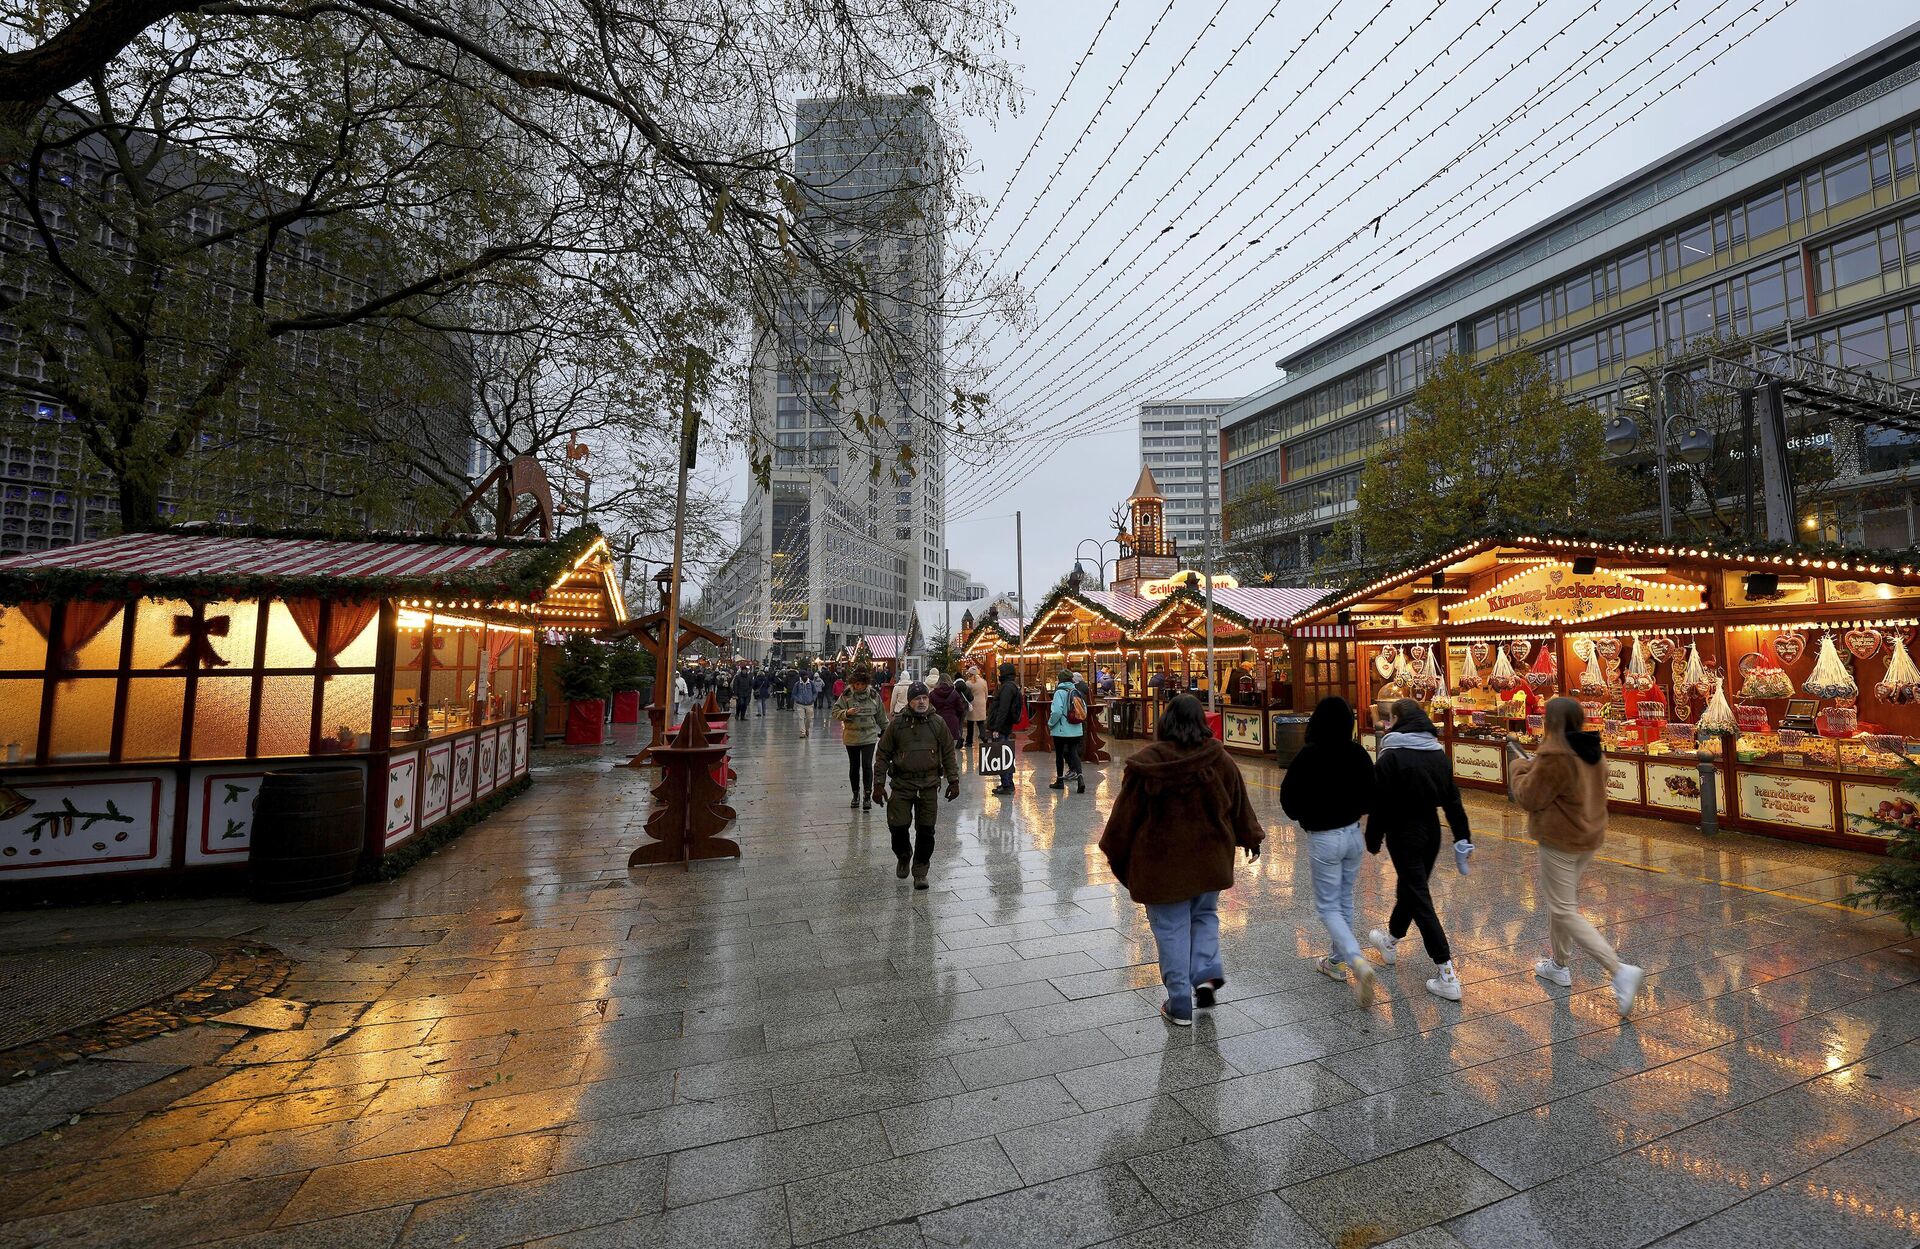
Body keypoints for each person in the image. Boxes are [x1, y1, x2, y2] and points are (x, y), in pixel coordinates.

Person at [1098, 695, 1265, 1027]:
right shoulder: (1220, 759)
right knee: (1204, 918)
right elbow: (1238, 804)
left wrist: (1116, 851)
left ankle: (1179, 1004)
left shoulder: (1146, 765)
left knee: (1171, 929)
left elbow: (1123, 820)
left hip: (1163, 868)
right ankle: (1204, 980)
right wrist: (1250, 837)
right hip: (1210, 862)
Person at [1508, 697, 1646, 1017]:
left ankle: (1619, 970)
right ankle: (1558, 965)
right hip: (1589, 837)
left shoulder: (1555, 756)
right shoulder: (1591, 749)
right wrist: (1534, 768)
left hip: (1560, 840)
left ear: (1551, 722)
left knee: (1564, 908)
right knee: (1561, 902)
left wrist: (1519, 768)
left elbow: (1530, 797)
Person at [1367, 698, 1472, 1002]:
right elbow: (1453, 800)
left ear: (1399, 720)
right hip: (1431, 833)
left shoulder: (1391, 756)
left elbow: (1380, 803)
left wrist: (1373, 838)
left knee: (1419, 896)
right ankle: (1391, 940)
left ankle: (1446, 971)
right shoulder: (1438, 754)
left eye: (1391, 718)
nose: (1387, 723)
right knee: (1413, 890)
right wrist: (1462, 837)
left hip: (1404, 833)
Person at [1279, 697, 1379, 1007]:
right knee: (1345, 898)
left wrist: (1307, 815)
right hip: (1352, 836)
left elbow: (1289, 800)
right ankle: (1335, 961)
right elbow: (1372, 794)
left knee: (1327, 907)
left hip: (1324, 838)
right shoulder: (1357, 752)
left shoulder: (1309, 755)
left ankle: (1355, 960)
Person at [873, 681, 961, 890]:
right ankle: (903, 855)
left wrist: (954, 780)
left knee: (926, 831)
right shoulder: (897, 724)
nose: (921, 702)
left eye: (924, 698)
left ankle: (921, 870)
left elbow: (949, 752)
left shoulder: (937, 723)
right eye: (917, 699)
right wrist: (878, 784)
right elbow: (883, 753)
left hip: (929, 784)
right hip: (902, 784)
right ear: (910, 701)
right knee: (897, 826)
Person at [833, 666, 884, 809]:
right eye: (857, 684)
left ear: (866, 683)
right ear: (853, 683)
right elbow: (835, 711)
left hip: (869, 736)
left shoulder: (874, 696)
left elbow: (881, 716)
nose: (859, 687)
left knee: (867, 765)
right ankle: (855, 794)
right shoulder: (846, 695)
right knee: (854, 766)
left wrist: (887, 731)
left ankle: (867, 796)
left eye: (862, 684)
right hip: (852, 736)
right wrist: (847, 713)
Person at [985, 663, 1023, 795]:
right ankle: (1008, 783)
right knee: (1005, 755)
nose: (999, 675)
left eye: (1000, 672)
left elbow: (1003, 709)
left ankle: (1006, 784)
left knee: (1001, 756)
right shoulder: (1011, 686)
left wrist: (996, 728)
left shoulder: (1007, 688)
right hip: (1006, 726)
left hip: (1002, 726)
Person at [1047, 669, 1086, 793]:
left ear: (1060, 680)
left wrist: (1050, 723)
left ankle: (1059, 780)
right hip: (1075, 729)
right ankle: (1080, 777)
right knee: (1074, 752)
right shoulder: (1076, 691)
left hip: (1061, 729)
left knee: (1059, 754)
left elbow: (1057, 711)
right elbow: (1084, 709)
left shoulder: (1059, 692)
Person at [929, 672, 966, 743]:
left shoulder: (932, 694)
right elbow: (961, 708)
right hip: (952, 721)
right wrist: (955, 715)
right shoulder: (954, 693)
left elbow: (929, 708)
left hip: (937, 721)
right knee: (951, 748)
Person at [962, 666, 988, 749]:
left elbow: (966, 695)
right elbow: (986, 694)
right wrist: (984, 701)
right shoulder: (984, 682)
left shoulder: (968, 683)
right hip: (982, 703)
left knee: (970, 723)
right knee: (981, 722)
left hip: (972, 704)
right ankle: (983, 736)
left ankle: (969, 741)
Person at [792, 666, 818, 738]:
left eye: (806, 675)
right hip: (800, 704)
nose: (806, 677)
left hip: (809, 704)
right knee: (801, 718)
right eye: (804, 676)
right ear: (801, 676)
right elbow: (793, 694)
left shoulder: (811, 683)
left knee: (809, 719)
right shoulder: (797, 684)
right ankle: (802, 732)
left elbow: (815, 692)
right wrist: (797, 699)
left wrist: (813, 699)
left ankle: (807, 729)